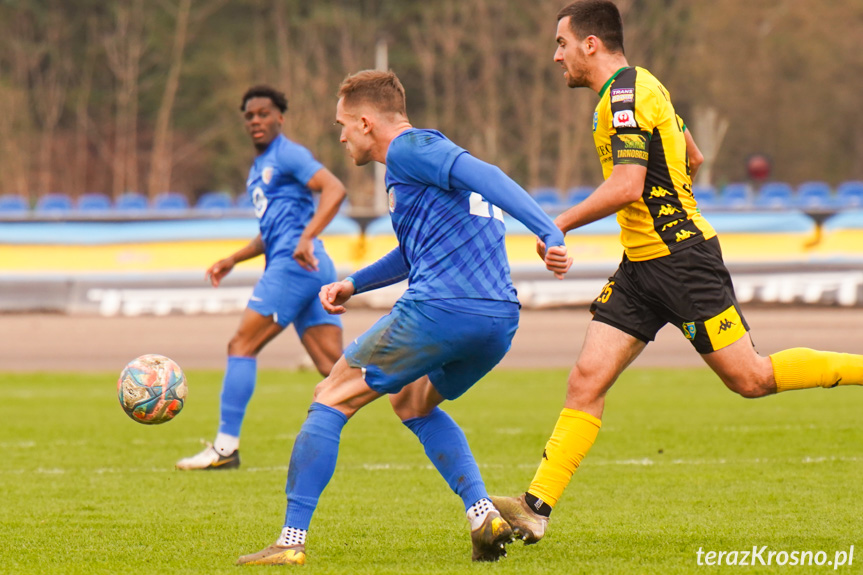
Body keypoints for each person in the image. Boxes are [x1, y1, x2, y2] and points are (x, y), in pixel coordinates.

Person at [492, 0, 863, 544]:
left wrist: (558, 224)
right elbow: (692, 155)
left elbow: (628, 185)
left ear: (590, 44)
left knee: (751, 378)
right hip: (641, 268)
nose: (556, 57)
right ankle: (534, 508)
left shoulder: (624, 95)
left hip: (681, 262)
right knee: (586, 379)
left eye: (562, 44)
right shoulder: (644, 87)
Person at [236, 69, 573, 566]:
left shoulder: (411, 149)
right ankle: (483, 515)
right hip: (497, 318)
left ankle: (290, 542)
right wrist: (353, 284)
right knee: (412, 404)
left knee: (329, 396)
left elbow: (492, 176)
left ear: (367, 122)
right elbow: (412, 253)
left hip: (442, 308)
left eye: (343, 124)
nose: (341, 134)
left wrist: (550, 231)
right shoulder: (416, 169)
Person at [176, 85, 346, 470]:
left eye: (264, 114)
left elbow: (335, 189)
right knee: (333, 365)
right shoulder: (259, 167)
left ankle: (225, 449)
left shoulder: (288, 154)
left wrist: (305, 237)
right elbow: (271, 230)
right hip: (309, 265)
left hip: (293, 265)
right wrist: (234, 258)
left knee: (241, 345)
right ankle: (411, 383)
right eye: (250, 116)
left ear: (280, 118)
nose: (256, 121)